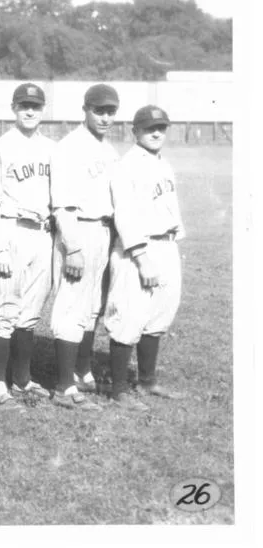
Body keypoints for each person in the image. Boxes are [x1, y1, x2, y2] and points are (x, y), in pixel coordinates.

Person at [0, 83, 58, 411]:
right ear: (13, 108)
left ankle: (22, 378)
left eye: (35, 106)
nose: (29, 111)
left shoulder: (53, 149)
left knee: (30, 311)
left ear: (43, 110)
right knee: (3, 310)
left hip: (42, 233)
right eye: (23, 105)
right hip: (10, 229)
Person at [103, 105, 186, 411]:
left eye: (161, 128)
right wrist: (141, 257)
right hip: (138, 248)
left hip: (165, 244)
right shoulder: (127, 166)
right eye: (149, 128)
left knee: (160, 314)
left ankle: (148, 381)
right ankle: (119, 390)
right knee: (130, 315)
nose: (155, 133)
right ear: (134, 131)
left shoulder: (163, 164)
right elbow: (123, 216)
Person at [49, 83, 121, 410]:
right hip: (79, 229)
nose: (105, 117)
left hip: (104, 231)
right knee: (71, 305)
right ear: (85, 110)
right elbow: (62, 205)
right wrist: (72, 246)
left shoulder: (109, 149)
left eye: (110, 112)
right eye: (99, 110)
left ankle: (82, 372)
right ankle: (63, 387)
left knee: (91, 306)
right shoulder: (69, 147)